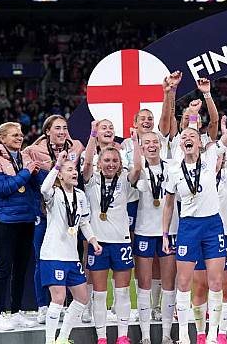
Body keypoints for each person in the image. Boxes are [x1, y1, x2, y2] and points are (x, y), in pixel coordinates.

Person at [162, 87, 227, 344]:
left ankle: (212, 336)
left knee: (216, 281)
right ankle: (186, 336)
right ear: (181, 143)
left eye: (192, 135)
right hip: (188, 226)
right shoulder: (174, 169)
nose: (188, 137)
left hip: (213, 225)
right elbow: (168, 204)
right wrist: (166, 233)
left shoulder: (210, 157)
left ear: (200, 141)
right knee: (184, 282)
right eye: (184, 135)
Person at [82, 123, 142, 344]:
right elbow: (87, 162)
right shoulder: (91, 180)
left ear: (119, 164)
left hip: (121, 242)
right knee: (99, 293)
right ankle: (101, 337)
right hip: (99, 244)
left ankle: (123, 336)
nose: (110, 164)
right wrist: (93, 135)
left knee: (123, 292)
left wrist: (135, 141)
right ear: (100, 163)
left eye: (114, 161)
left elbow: (138, 167)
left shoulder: (126, 180)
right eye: (106, 160)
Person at [23, 114, 85, 324]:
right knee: (43, 261)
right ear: (47, 131)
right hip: (44, 213)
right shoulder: (34, 151)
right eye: (57, 128)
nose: (61, 132)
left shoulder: (76, 147)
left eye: (64, 127)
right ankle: (42, 306)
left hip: (68, 214)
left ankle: (64, 304)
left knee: (70, 258)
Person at [40, 151, 102, 344]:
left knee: (82, 298)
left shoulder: (81, 196)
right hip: (53, 254)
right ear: (60, 174)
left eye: (75, 169)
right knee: (58, 299)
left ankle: (63, 339)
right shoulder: (54, 194)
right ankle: (50, 340)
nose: (74, 173)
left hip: (72, 256)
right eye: (69, 170)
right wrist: (57, 164)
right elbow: (43, 188)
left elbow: (83, 222)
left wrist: (93, 240)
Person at [0, 122, 40, 330]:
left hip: (26, 219)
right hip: (5, 220)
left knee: (21, 268)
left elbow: (34, 187)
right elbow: (2, 188)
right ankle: (1, 313)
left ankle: (16, 312)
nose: (20, 137)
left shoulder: (24, 158)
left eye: (20, 134)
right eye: (14, 135)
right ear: (2, 138)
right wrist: (26, 173)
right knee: (3, 268)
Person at [133, 131, 179, 344]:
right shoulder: (137, 169)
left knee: (169, 282)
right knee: (143, 282)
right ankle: (144, 336)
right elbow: (133, 174)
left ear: (161, 145)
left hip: (169, 231)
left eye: (155, 142)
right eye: (146, 143)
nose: (151, 146)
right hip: (143, 230)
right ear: (141, 147)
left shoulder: (172, 167)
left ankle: (166, 335)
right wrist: (134, 144)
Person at [193, 143, 227, 344]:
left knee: (224, 287)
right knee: (201, 286)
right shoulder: (195, 176)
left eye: (219, 155)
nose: (216, 159)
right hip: (201, 236)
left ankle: (222, 334)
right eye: (212, 155)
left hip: (226, 234)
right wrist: (193, 115)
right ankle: (201, 334)